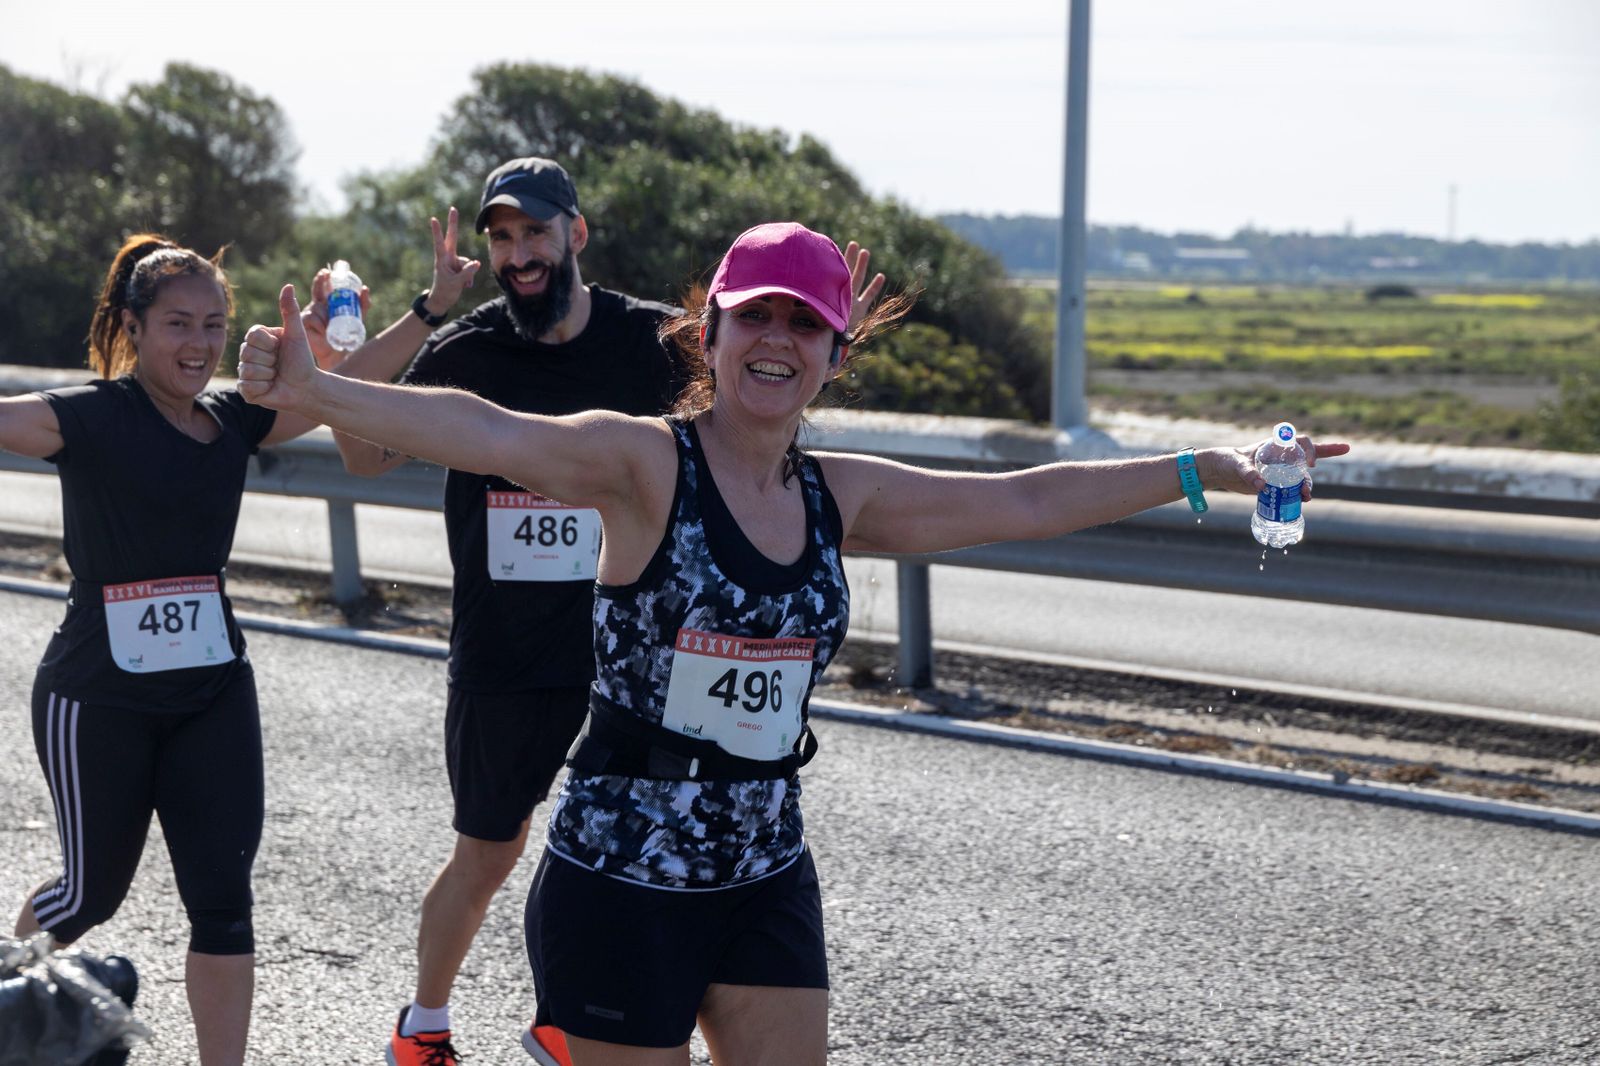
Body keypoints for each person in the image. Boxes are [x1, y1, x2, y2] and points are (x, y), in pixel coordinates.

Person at [236, 220, 1350, 1066]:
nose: (776, 340)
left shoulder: (838, 495)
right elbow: (484, 430)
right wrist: (321, 390)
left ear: (833, 352)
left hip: (764, 868)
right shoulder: (643, 464)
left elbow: (1024, 499)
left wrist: (1204, 466)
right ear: (709, 334)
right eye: (754, 317)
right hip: (622, 874)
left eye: (805, 323)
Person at [311, 158, 881, 1066]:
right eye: (503, 238)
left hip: (632, 658)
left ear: (575, 234)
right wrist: (417, 315)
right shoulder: (469, 346)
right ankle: (426, 1023)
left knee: (624, 833)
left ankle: (575, 1021)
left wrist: (816, 316)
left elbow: (747, 380)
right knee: (488, 855)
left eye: (536, 232)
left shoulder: (651, 339)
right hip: (510, 651)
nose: (519, 253)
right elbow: (361, 451)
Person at [0, 221, 476, 1066]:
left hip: (212, 693)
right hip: (97, 696)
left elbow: (345, 387)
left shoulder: (231, 420)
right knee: (87, 896)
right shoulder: (89, 417)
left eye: (213, 324)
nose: (198, 343)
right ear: (134, 325)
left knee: (224, 904)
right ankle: (15, 1019)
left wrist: (429, 309)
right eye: (177, 323)